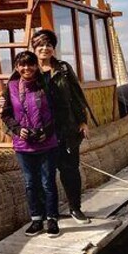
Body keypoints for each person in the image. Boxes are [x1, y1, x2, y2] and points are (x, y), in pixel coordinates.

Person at [31, 29, 93, 225]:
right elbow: (13, 93)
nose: (45, 48)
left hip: (66, 128)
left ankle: (75, 208)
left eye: (49, 44)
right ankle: (49, 214)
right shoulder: (27, 68)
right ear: (34, 47)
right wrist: (2, 99)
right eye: (41, 44)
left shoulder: (64, 69)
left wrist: (82, 121)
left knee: (70, 170)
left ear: (53, 48)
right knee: (43, 174)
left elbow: (76, 96)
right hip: (41, 131)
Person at [1, 51, 61, 237]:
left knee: (48, 183)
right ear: (17, 67)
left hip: (47, 143)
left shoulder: (47, 84)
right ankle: (36, 220)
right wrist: (18, 130)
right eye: (22, 65)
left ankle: (52, 219)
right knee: (30, 183)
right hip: (23, 145)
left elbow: (58, 111)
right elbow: (6, 115)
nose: (26, 68)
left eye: (30, 64)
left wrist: (47, 132)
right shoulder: (10, 87)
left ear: (36, 66)